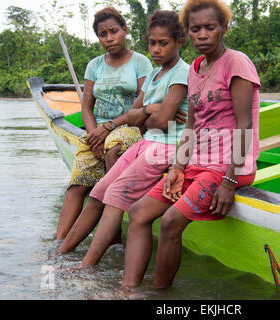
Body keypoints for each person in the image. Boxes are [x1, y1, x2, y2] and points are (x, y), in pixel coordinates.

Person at [120, 0, 261, 290]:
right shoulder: (195, 68)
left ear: (223, 28)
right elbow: (191, 126)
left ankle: (159, 295)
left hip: (225, 168)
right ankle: (127, 290)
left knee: (170, 221)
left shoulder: (236, 62)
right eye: (195, 29)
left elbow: (244, 125)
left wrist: (229, 182)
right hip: (195, 164)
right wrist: (177, 166)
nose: (202, 35)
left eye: (210, 27)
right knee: (138, 212)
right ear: (188, 32)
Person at [56, 10, 190, 265]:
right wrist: (150, 109)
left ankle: (86, 265)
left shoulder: (181, 73)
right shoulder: (154, 74)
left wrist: (144, 114)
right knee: (99, 190)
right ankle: (60, 253)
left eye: (163, 43)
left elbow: (161, 123)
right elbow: (133, 115)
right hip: (146, 142)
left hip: (165, 146)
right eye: (152, 43)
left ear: (179, 42)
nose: (157, 49)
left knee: (115, 191)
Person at [56, 6, 153, 240]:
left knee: (114, 151)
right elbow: (86, 106)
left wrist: (107, 129)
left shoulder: (141, 63)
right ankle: (57, 242)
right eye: (102, 34)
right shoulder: (95, 65)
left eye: (113, 31)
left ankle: (113, 227)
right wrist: (93, 135)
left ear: (124, 30)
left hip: (131, 128)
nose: (109, 38)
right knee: (78, 185)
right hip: (97, 132)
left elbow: (141, 107)